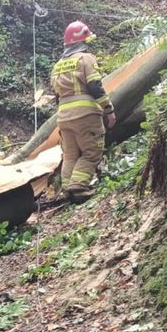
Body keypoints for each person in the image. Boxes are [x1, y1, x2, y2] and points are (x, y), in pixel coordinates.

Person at [50, 21, 116, 203]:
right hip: (85, 115)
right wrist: (108, 109)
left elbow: (56, 95)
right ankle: (78, 187)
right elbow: (95, 86)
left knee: (70, 154)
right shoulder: (86, 59)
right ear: (82, 40)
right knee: (91, 152)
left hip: (63, 117)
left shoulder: (57, 66)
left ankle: (66, 189)